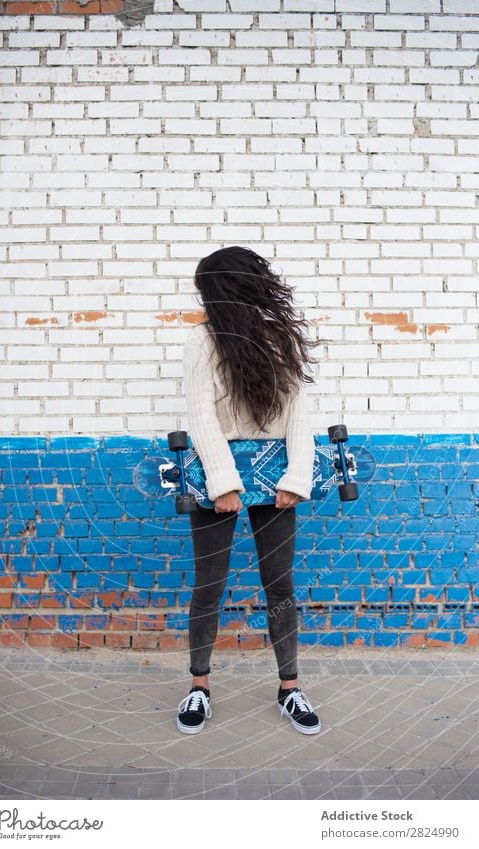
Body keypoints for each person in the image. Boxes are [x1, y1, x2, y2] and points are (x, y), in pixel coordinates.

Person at [176, 245, 325, 736]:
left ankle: (289, 687)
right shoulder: (202, 342)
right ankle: (199, 685)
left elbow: (299, 413)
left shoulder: (281, 339)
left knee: (279, 584)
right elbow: (200, 414)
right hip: (221, 473)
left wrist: (297, 478)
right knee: (209, 584)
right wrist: (222, 481)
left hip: (278, 474)